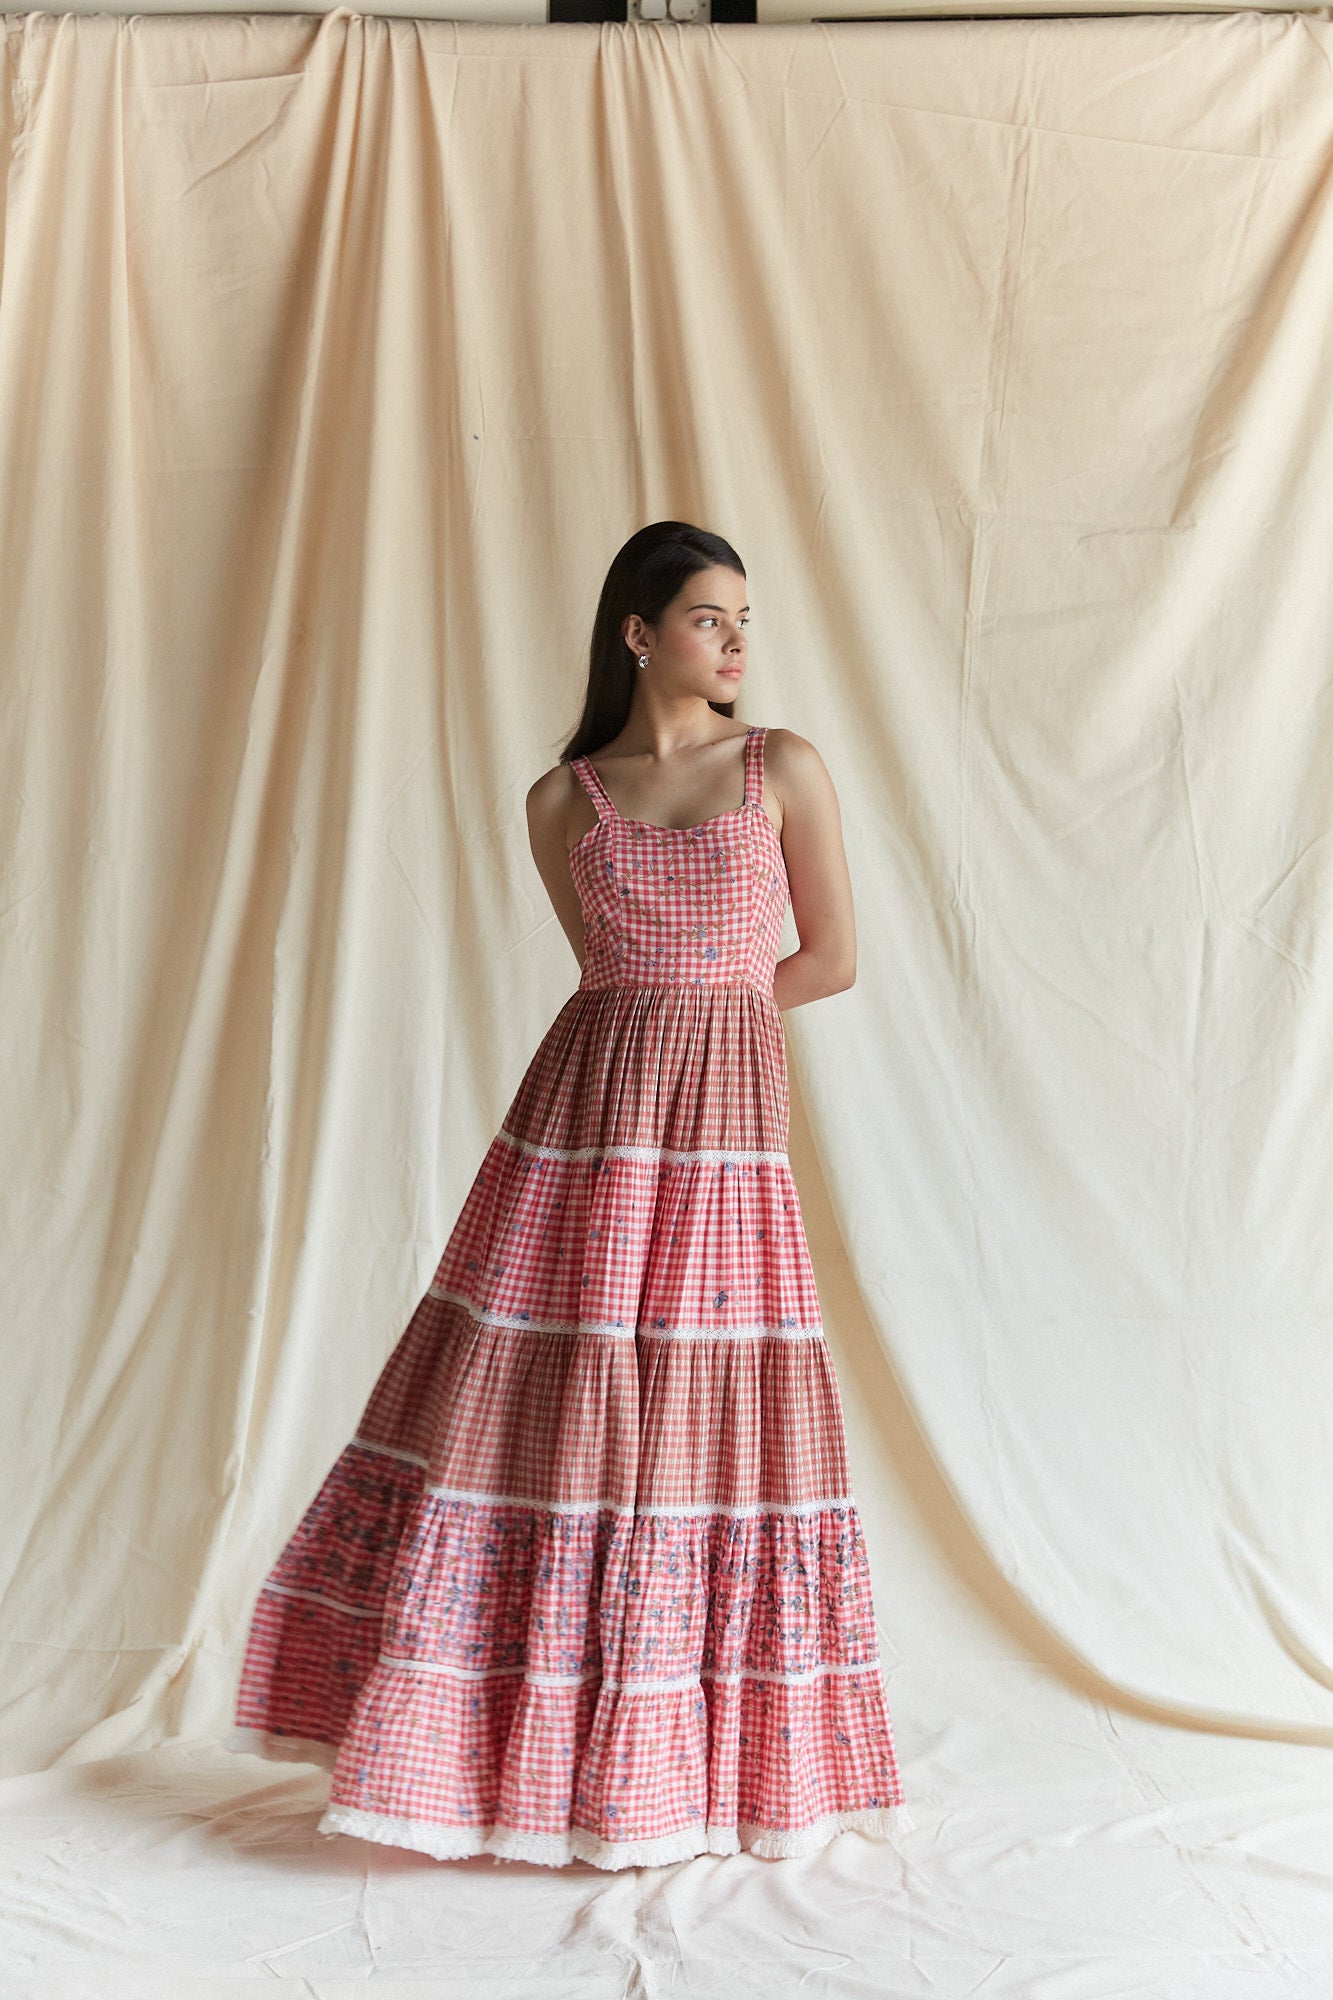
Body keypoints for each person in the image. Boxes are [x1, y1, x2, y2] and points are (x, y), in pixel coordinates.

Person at [233, 520, 911, 1868]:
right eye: (709, 617)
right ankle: (513, 1745)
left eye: (741, 620)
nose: (733, 642)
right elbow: (600, 975)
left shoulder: (780, 768)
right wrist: (660, 1023)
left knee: (704, 1403)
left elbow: (827, 959)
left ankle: (691, 1757)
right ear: (636, 630)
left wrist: (713, 1016)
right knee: (551, 1390)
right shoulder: (562, 801)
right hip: (582, 1126)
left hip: (721, 1129)